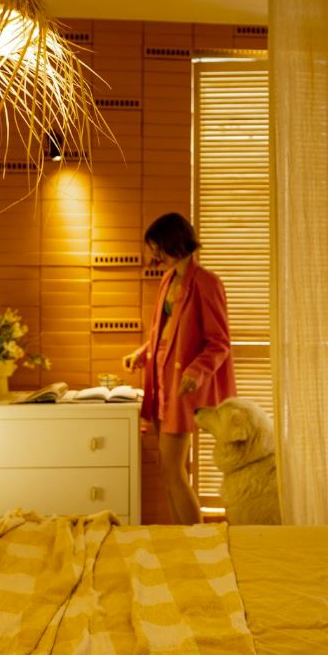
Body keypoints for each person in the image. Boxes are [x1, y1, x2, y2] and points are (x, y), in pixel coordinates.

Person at [123, 213, 236, 524]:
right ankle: (182, 537)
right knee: (168, 470)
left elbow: (219, 342)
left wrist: (196, 372)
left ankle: (196, 539)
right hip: (160, 383)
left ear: (171, 242)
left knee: (173, 470)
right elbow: (165, 332)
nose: (153, 255)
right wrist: (143, 352)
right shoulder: (168, 279)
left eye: (156, 247)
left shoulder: (207, 283)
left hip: (182, 387)